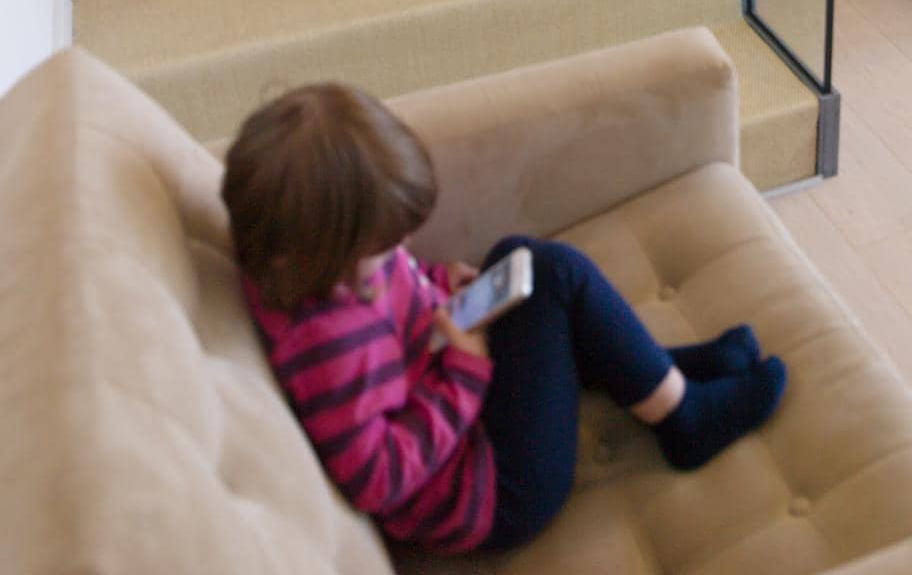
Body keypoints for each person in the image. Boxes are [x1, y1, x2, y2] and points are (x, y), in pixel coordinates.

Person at [222, 81, 787, 558]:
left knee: (521, 263)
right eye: (384, 246)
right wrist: (463, 378)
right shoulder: (329, 348)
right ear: (323, 250)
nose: (403, 248)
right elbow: (378, 479)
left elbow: (393, 294)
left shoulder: (311, 262)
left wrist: (439, 286)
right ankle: (684, 419)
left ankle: (658, 374)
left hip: (459, 402)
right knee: (555, 272)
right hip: (495, 489)